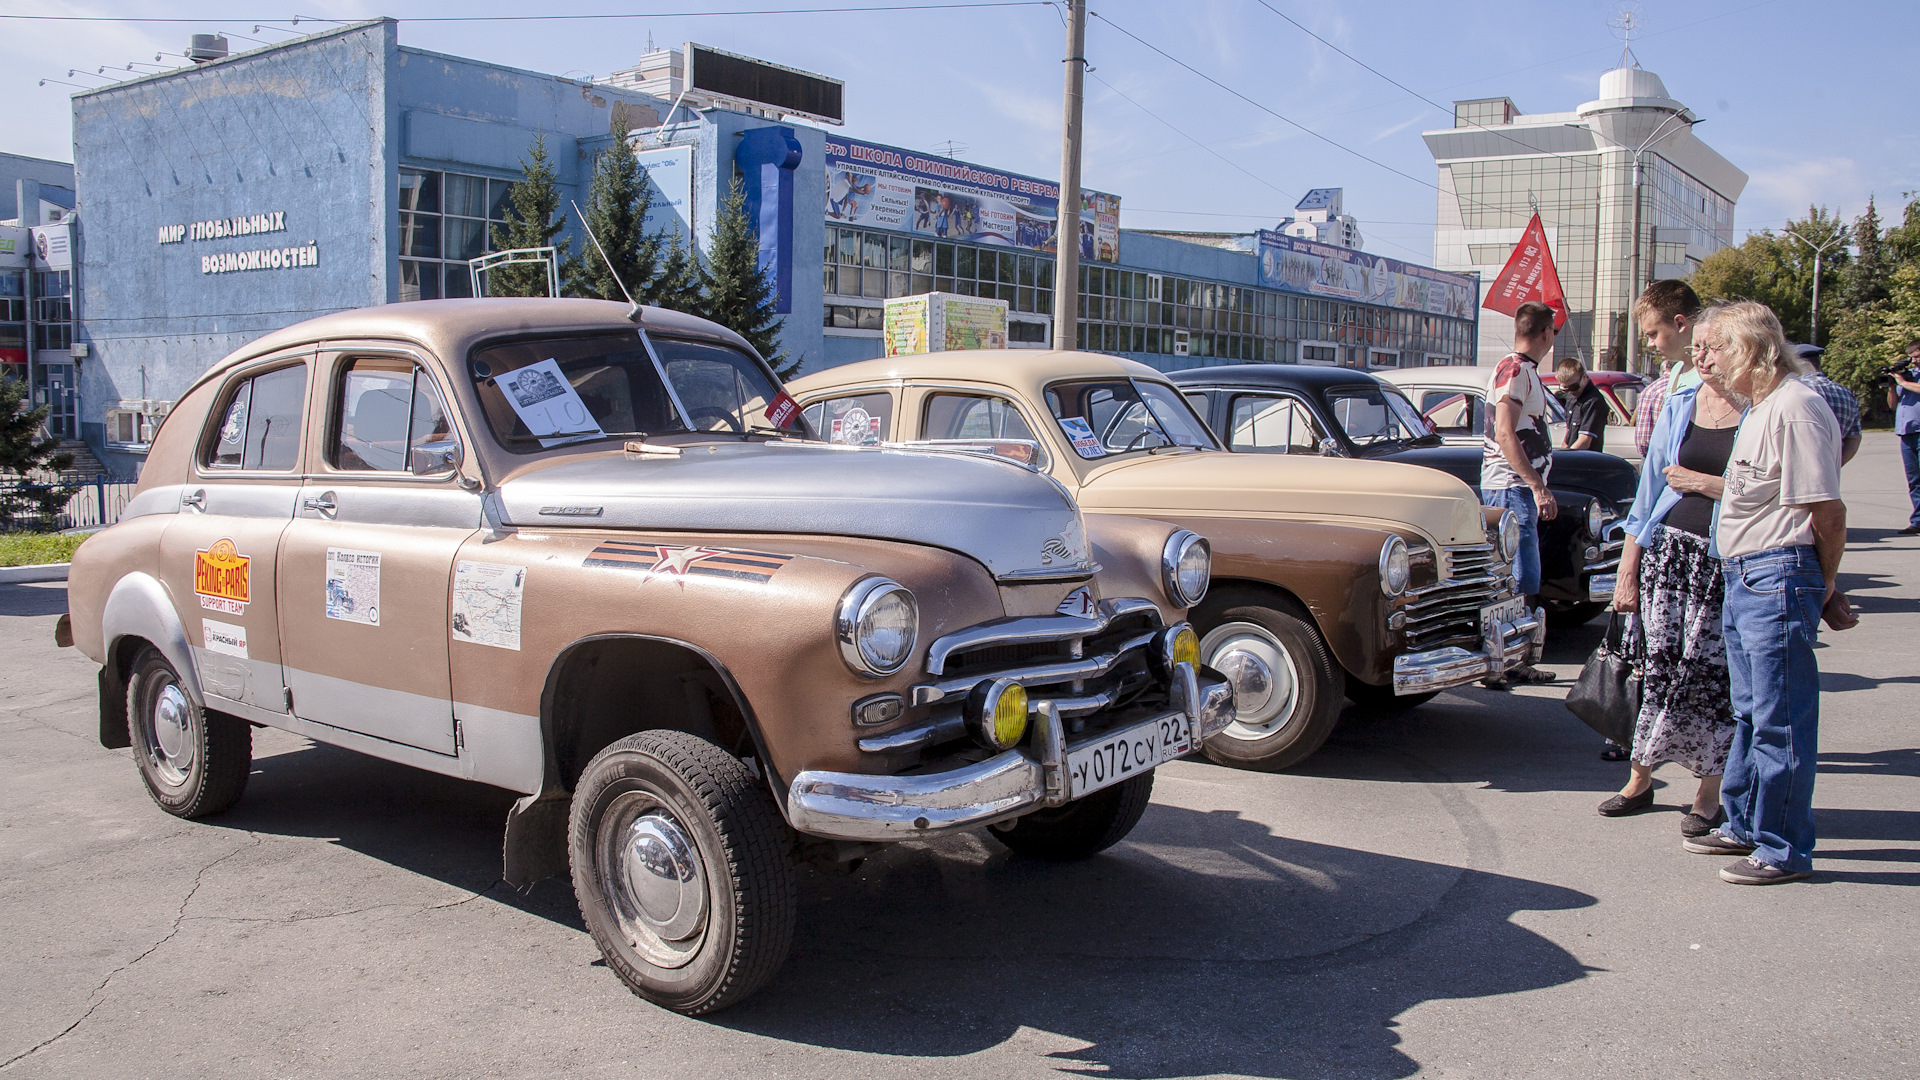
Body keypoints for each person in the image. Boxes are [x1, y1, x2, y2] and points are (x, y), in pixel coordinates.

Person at [1683, 301, 1851, 885]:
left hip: (1777, 572)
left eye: (1719, 347)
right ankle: (1748, 824)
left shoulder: (1797, 407)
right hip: (1746, 571)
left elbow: (1826, 510)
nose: (1709, 359)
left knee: (1781, 720)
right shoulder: (1762, 407)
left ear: (1752, 350)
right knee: (1752, 712)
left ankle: (1783, 849)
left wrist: (1825, 586)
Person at [1605, 305, 1741, 833]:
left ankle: (1707, 796)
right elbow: (1648, 494)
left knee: (1711, 677)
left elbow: (1772, 490)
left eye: (1714, 347)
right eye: (1699, 347)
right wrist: (1627, 568)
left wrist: (1703, 483)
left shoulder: (1759, 409)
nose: (1701, 357)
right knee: (1656, 666)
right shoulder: (1681, 399)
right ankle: (1640, 779)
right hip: (1669, 553)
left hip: (1723, 561)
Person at [1481, 300, 1558, 689]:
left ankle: (1515, 657)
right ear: (1545, 333)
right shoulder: (1514, 370)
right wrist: (1536, 484)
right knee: (1515, 575)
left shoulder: (1523, 370)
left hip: (1516, 487)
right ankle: (1507, 660)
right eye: (1554, 333)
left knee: (1523, 573)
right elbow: (1505, 433)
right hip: (1511, 486)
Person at [1632, 281, 1705, 457]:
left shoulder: (1714, 377)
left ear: (1679, 323)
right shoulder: (1677, 371)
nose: (1650, 344)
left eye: (1653, 334)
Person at [1793, 344, 1862, 465]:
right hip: (1830, 474)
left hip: (1796, 467)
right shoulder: (1845, 393)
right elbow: (1854, 438)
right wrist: (1834, 466)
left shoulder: (1794, 391)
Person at [1889, 337, 1920, 534]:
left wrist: (1903, 382)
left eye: (1917, 357)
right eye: (1911, 357)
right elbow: (1893, 405)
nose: (1914, 361)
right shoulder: (1909, 376)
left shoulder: (1909, 380)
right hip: (1907, 433)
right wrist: (1892, 386)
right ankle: (1918, 521)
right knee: (1914, 480)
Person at [1554, 356, 1608, 452]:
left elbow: (1585, 441)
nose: (1570, 392)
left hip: (1585, 460)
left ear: (1584, 377)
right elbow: (1568, 433)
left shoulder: (1594, 401)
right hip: (1571, 456)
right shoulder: (1572, 398)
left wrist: (1566, 457)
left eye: (1574, 387)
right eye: (1565, 389)